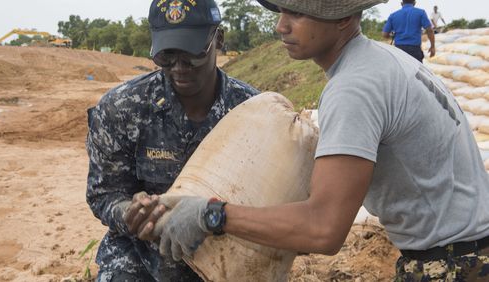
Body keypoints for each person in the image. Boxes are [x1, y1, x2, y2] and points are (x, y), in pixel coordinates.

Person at [148, 0, 489, 281]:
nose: (281, 26)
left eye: (297, 13)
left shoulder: (354, 88)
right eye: (281, 11)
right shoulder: (383, 62)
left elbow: (323, 229)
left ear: (344, 19)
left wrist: (212, 216)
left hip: (455, 266)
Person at [85, 0, 259, 280]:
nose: (179, 67)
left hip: (223, 258)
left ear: (219, 39)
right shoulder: (123, 107)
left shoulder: (252, 112)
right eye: (166, 55)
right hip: (139, 259)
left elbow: (268, 202)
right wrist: (132, 215)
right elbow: (103, 193)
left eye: (192, 53)